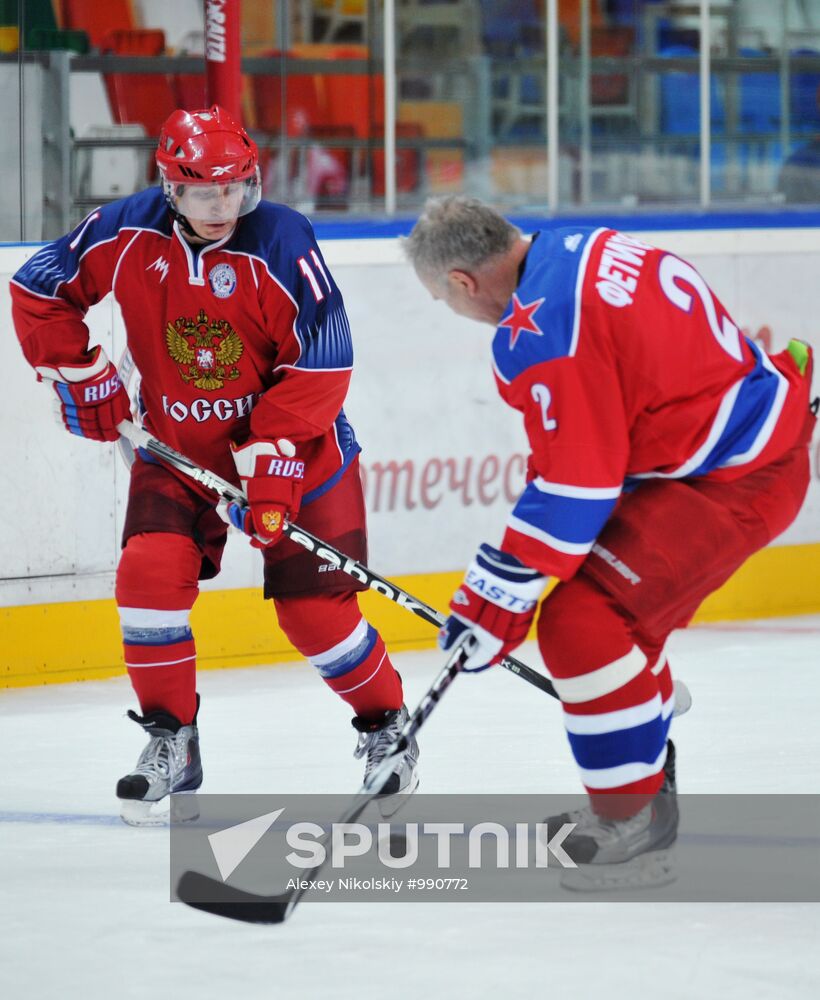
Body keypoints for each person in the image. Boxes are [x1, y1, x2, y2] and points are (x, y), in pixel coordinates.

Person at [10, 106, 418, 825]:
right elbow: (41, 288)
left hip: (303, 452)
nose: (223, 205)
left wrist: (269, 464)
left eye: (235, 188)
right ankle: (173, 740)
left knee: (314, 617)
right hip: (178, 454)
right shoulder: (125, 230)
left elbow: (325, 359)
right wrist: (79, 374)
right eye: (204, 192)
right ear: (170, 187)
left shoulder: (282, 237)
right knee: (146, 579)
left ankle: (388, 727)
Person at [402, 196, 816, 883]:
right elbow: (597, 438)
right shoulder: (579, 244)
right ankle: (642, 763)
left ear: (463, 282)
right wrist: (512, 576)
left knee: (582, 619)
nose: (459, 313)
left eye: (446, 302)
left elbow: (581, 482)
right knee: (607, 616)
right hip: (734, 447)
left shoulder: (540, 330)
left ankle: (632, 820)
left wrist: (500, 595)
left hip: (736, 477)